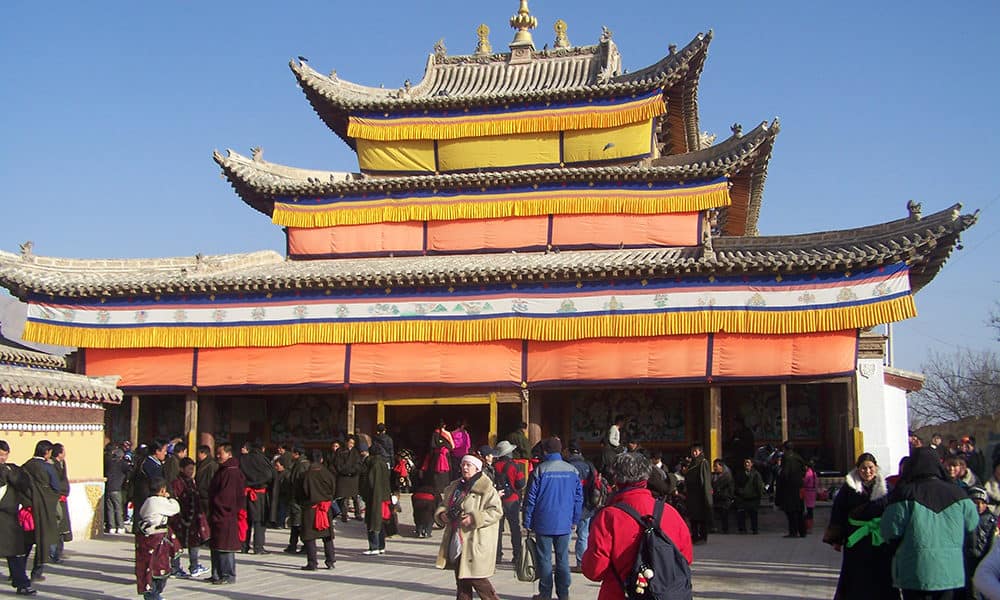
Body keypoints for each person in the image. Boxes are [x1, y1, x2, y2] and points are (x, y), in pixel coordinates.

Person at [582, 451, 693, 600]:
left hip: (620, 592)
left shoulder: (608, 516)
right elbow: (685, 558)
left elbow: (594, 570)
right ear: (646, 477)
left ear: (616, 478)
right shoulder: (669, 512)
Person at [881, 446, 979, 599]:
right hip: (951, 572)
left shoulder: (904, 494)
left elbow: (889, 531)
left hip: (913, 571)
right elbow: (972, 523)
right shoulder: (959, 494)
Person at [823, 452, 896, 600]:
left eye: (870, 467)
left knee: (881, 573)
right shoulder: (848, 489)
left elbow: (895, 511)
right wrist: (837, 538)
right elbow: (838, 513)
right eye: (863, 468)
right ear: (857, 469)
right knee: (856, 574)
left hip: (879, 538)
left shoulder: (887, 488)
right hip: (856, 538)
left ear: (876, 467)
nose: (867, 471)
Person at [434, 454, 502, 600]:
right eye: (463, 464)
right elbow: (443, 505)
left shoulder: (486, 487)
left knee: (478, 579)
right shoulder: (455, 486)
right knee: (462, 580)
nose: (465, 467)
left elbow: (496, 511)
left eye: (468, 465)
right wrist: (442, 515)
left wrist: (474, 518)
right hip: (456, 538)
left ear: (477, 468)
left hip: (476, 541)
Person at [523, 437, 583, 600]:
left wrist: (527, 521)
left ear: (545, 451)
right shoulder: (572, 471)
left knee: (544, 559)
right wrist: (575, 519)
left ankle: (545, 593)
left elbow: (530, 499)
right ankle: (564, 594)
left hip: (543, 522)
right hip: (564, 522)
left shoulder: (539, 470)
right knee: (563, 559)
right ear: (561, 450)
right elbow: (579, 498)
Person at [20, 440, 61, 582]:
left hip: (28, 509)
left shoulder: (25, 466)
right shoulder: (48, 467)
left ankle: (19, 572)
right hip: (44, 509)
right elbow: (56, 487)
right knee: (43, 540)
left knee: (26, 543)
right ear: (47, 452)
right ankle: (36, 573)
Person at [134, 478, 181, 600]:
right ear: (162, 490)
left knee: (150, 567)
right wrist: (170, 498)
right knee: (159, 568)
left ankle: (153, 593)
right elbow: (175, 508)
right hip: (157, 539)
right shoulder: (158, 501)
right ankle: (153, 595)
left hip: (148, 538)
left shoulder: (148, 501)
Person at [1, 440, 37, 596]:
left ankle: (22, 583)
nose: (2, 457)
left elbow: (24, 485)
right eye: (0, 454)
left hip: (9, 519)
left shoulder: (13, 469)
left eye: (4, 454)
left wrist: (8, 473)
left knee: (14, 553)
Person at [208, 443, 245, 585]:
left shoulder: (231, 471)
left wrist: (218, 503)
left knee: (225, 547)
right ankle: (216, 574)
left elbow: (228, 496)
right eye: (217, 453)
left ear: (229, 454)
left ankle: (228, 574)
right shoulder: (223, 469)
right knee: (216, 545)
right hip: (217, 514)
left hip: (225, 514)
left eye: (220, 453)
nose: (218, 456)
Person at [169, 458, 210, 579]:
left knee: (194, 542)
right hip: (180, 517)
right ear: (182, 469)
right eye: (189, 469)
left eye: (193, 469)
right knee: (177, 543)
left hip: (193, 518)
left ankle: (194, 565)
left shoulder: (190, 481)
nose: (191, 471)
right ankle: (175, 567)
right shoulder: (177, 483)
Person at [298, 450, 337, 570]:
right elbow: (333, 490)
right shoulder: (328, 473)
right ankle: (330, 561)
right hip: (325, 507)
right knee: (327, 536)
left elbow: (299, 493)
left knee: (309, 536)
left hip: (310, 507)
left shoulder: (305, 475)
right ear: (321, 460)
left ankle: (312, 563)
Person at [565, 442, 599, 571]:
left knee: (567, 535)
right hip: (587, 504)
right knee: (583, 535)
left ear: (569, 451)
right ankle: (581, 563)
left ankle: (564, 562)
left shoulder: (567, 466)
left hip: (569, 505)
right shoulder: (589, 466)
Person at [491, 440, 526, 564]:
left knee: (497, 529)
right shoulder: (515, 466)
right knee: (515, 529)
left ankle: (497, 555)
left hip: (497, 499)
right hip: (512, 500)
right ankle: (517, 555)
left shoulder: (494, 466)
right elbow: (521, 483)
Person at [239, 441, 274, 554]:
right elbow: (269, 475)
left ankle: (244, 546)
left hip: (245, 493)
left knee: (246, 520)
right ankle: (258, 547)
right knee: (259, 521)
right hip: (259, 493)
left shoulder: (243, 459)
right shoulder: (262, 459)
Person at [359, 441, 393, 555]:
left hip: (374, 497)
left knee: (373, 521)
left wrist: (364, 493)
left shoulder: (372, 464)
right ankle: (381, 546)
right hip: (383, 496)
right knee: (381, 521)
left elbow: (369, 482)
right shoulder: (383, 463)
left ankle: (374, 546)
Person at [966, 486, 998, 597]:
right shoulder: (964, 519)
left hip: (984, 559)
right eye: (975, 502)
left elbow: (993, 542)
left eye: (982, 503)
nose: (979, 506)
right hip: (968, 560)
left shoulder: (992, 521)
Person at [132, 440, 168, 534]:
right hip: (145, 495)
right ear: (157, 451)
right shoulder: (148, 464)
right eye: (164, 450)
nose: (165, 452)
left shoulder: (156, 463)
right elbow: (155, 481)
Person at [776, 441, 807, 538]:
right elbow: (804, 471)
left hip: (789, 488)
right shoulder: (798, 457)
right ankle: (802, 531)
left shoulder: (786, 457)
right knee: (800, 510)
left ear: (785, 448)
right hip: (799, 487)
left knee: (791, 511)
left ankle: (793, 531)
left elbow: (785, 473)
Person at [284, 446, 311, 553]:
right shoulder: (303, 463)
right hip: (299, 498)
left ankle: (304, 545)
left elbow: (296, 482)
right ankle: (294, 544)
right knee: (296, 522)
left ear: (297, 454)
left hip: (298, 498)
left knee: (298, 523)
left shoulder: (300, 465)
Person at [684, 443, 712, 544]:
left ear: (700, 451)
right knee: (693, 517)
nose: (694, 453)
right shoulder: (692, 463)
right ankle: (695, 535)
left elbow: (705, 480)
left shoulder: (703, 463)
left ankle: (703, 536)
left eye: (696, 451)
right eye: (693, 451)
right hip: (692, 494)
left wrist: (707, 495)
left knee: (701, 517)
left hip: (700, 494)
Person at [49, 443, 70, 564]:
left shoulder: (62, 463)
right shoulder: (52, 465)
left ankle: (58, 553)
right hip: (56, 499)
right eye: (63, 451)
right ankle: (52, 554)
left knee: (62, 528)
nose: (65, 453)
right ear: (59, 453)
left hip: (62, 499)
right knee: (55, 527)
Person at [334, 436, 363, 522]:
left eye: (353, 443)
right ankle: (344, 514)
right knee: (344, 498)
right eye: (350, 443)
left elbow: (358, 465)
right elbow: (338, 464)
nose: (351, 445)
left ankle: (358, 514)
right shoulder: (340, 451)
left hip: (353, 477)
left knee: (355, 497)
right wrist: (346, 471)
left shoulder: (355, 452)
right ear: (346, 442)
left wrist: (352, 471)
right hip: (343, 477)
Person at [734, 457, 765, 534]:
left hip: (753, 497)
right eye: (745, 462)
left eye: (748, 462)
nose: (746, 464)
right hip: (742, 497)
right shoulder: (740, 473)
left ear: (752, 464)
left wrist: (759, 495)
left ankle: (754, 529)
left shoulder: (756, 474)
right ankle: (742, 529)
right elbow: (736, 484)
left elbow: (759, 486)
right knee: (741, 514)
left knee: (753, 514)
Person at [104, 446, 130, 534]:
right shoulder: (122, 463)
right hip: (117, 488)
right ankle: (120, 527)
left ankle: (112, 527)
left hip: (108, 488)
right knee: (118, 508)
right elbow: (129, 471)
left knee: (110, 508)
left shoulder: (109, 463)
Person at [411, 472, 441, 538]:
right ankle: (427, 531)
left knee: (418, 515)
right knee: (430, 518)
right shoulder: (434, 488)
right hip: (429, 503)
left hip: (417, 499)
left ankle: (419, 530)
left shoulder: (419, 485)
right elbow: (439, 503)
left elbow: (413, 497)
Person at [711, 458, 734, 534]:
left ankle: (725, 529)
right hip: (716, 498)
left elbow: (730, 490)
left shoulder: (727, 476)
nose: (714, 468)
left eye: (716, 466)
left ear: (721, 466)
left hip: (725, 498)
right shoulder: (713, 476)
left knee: (724, 514)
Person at [194, 444, 217, 516]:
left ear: (203, 453)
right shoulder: (202, 464)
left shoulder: (211, 465)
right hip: (202, 494)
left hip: (206, 494)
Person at [803, 458, 818, 532]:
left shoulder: (808, 473)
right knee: (811, 510)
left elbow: (805, 482)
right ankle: (810, 526)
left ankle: (807, 526)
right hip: (813, 492)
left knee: (808, 510)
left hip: (808, 492)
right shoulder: (814, 473)